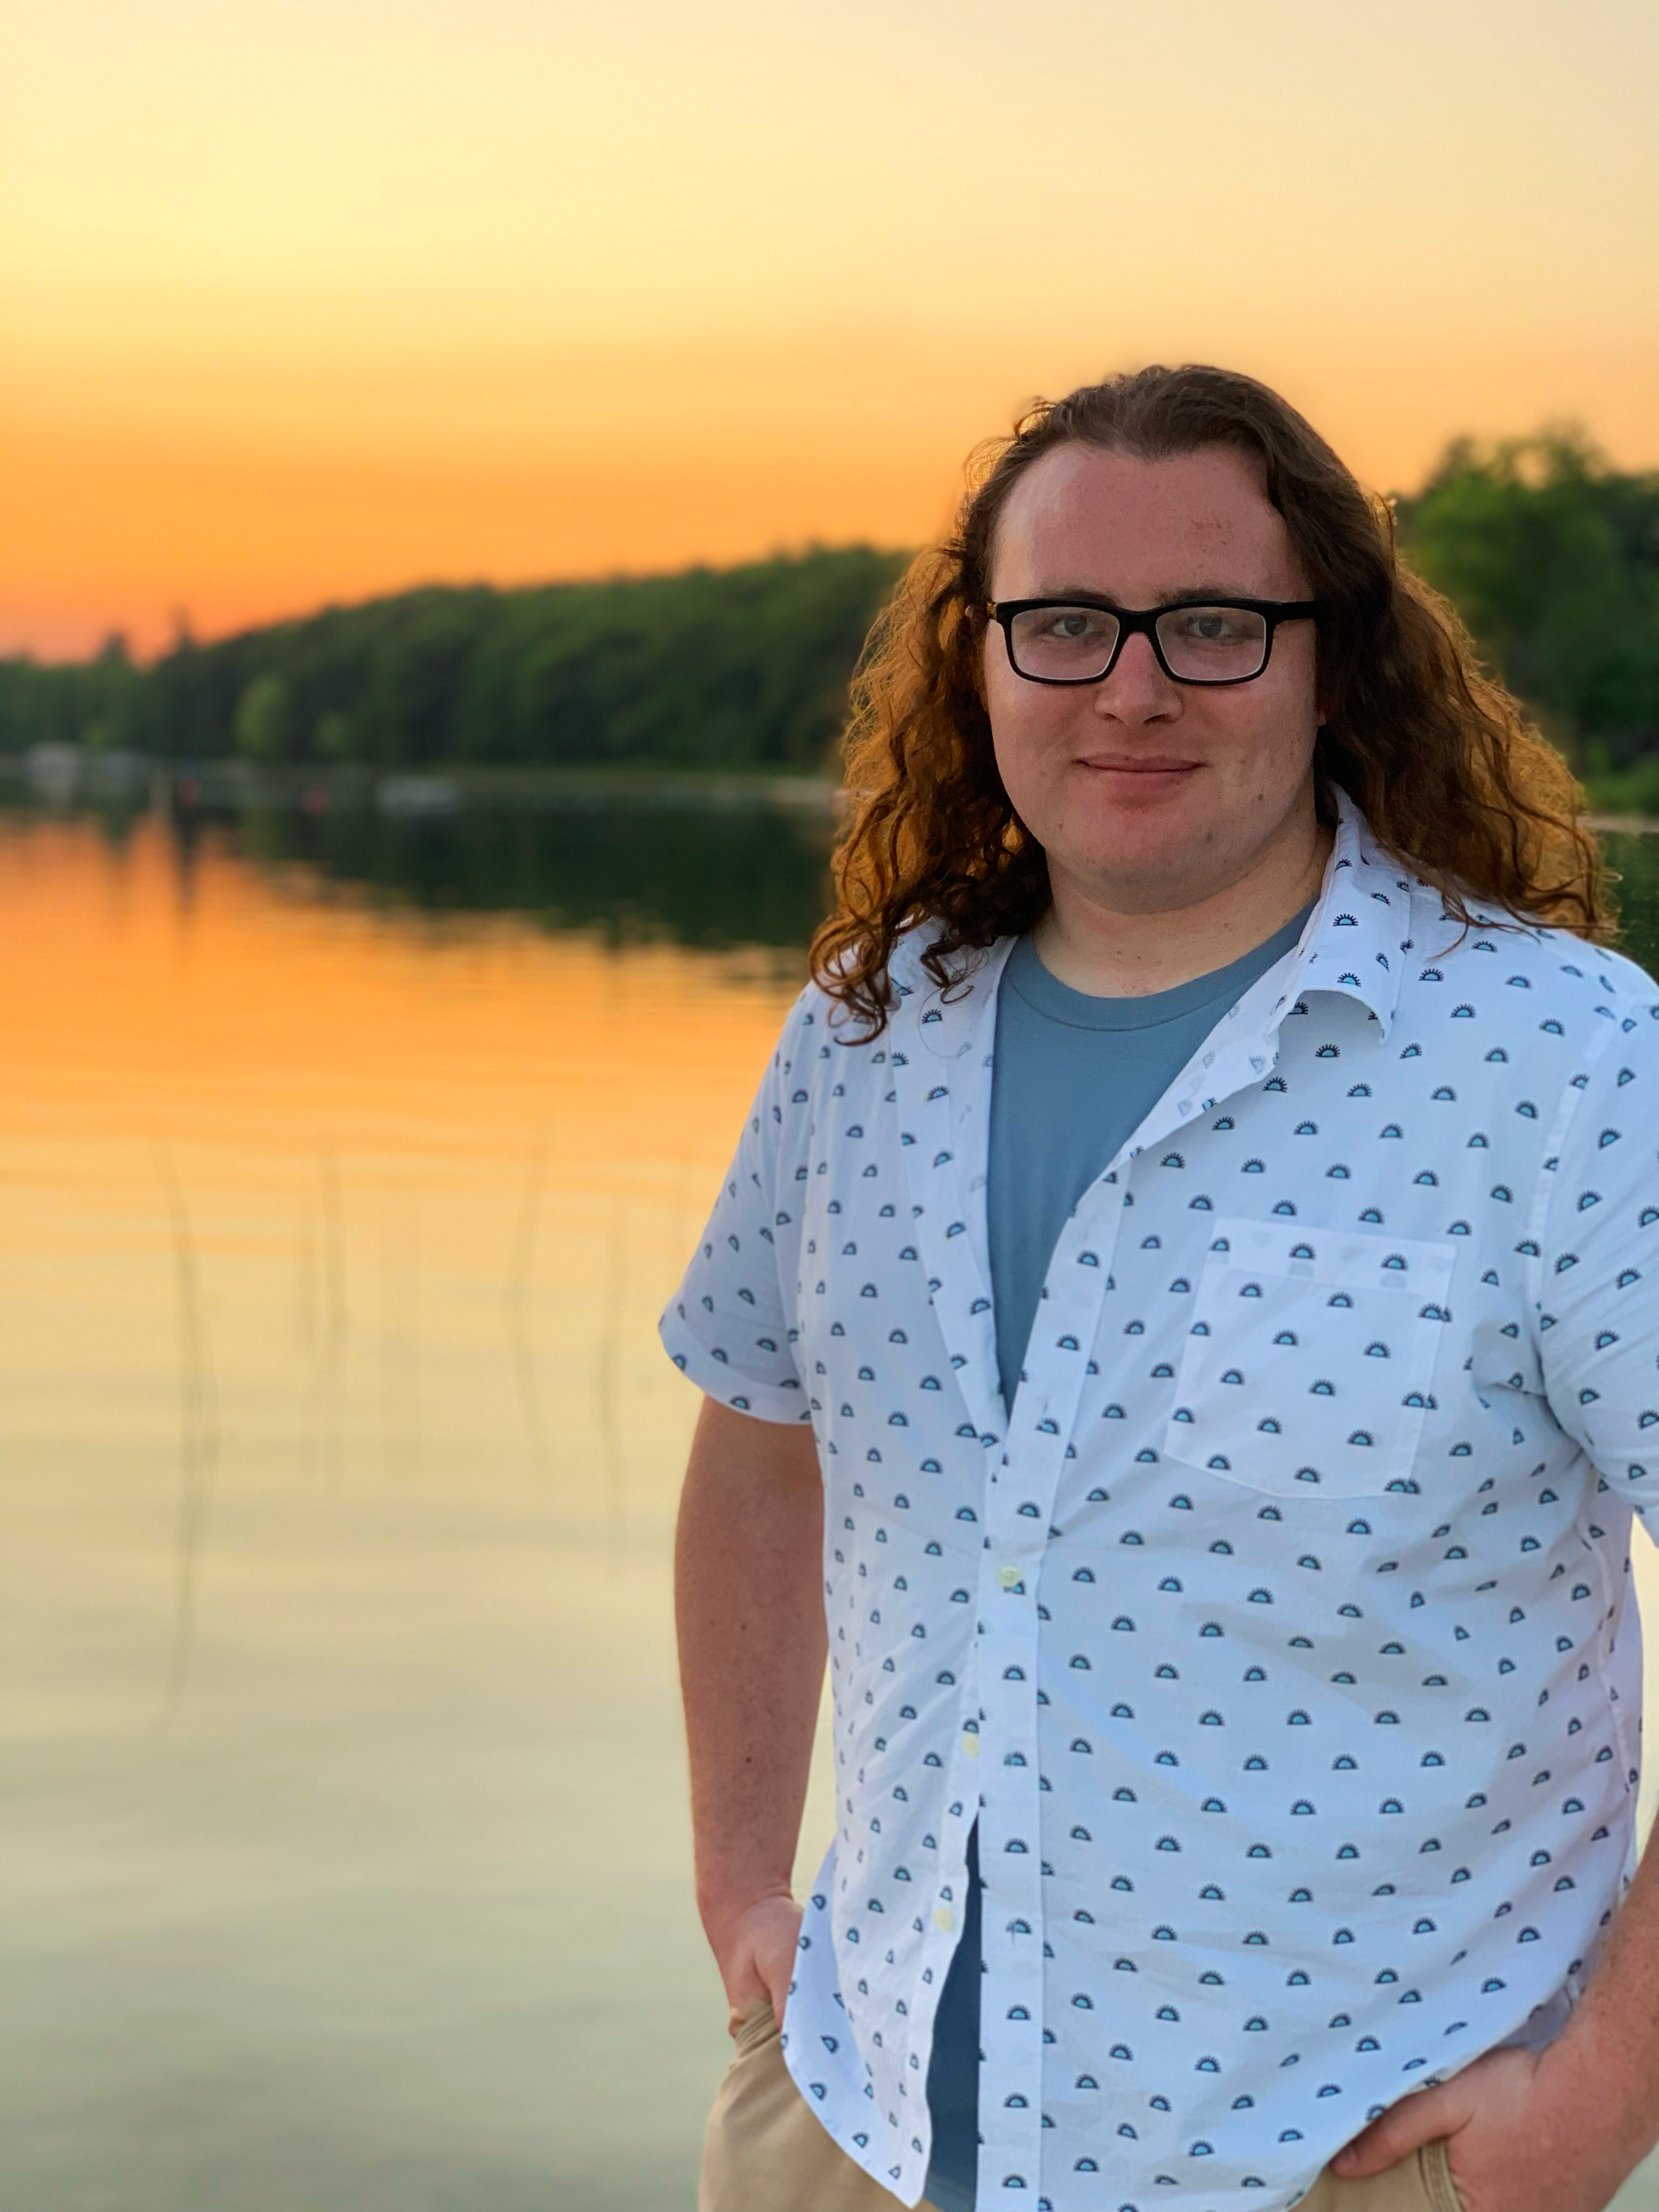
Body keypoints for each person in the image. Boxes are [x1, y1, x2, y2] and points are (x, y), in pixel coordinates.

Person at [662, 364, 1659, 2212]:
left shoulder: (1561, 1061)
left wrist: (1596, 2097)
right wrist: (740, 1888)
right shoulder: (862, 1040)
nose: (1129, 686)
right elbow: (756, 1445)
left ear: (1327, 658)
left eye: (1208, 623)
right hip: (854, 2130)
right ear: (982, 661)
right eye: (1062, 624)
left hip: (1344, 2160)